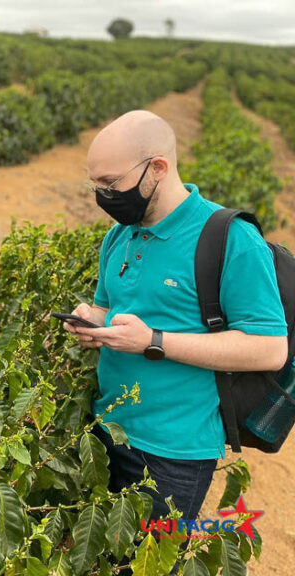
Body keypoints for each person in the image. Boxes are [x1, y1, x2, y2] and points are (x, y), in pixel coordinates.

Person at [64, 110, 287, 523]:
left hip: (172, 454)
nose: (102, 196)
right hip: (106, 429)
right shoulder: (119, 235)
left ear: (158, 168)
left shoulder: (230, 239)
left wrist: (154, 341)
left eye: (111, 184)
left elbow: (269, 348)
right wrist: (91, 319)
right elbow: (111, 307)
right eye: (95, 184)